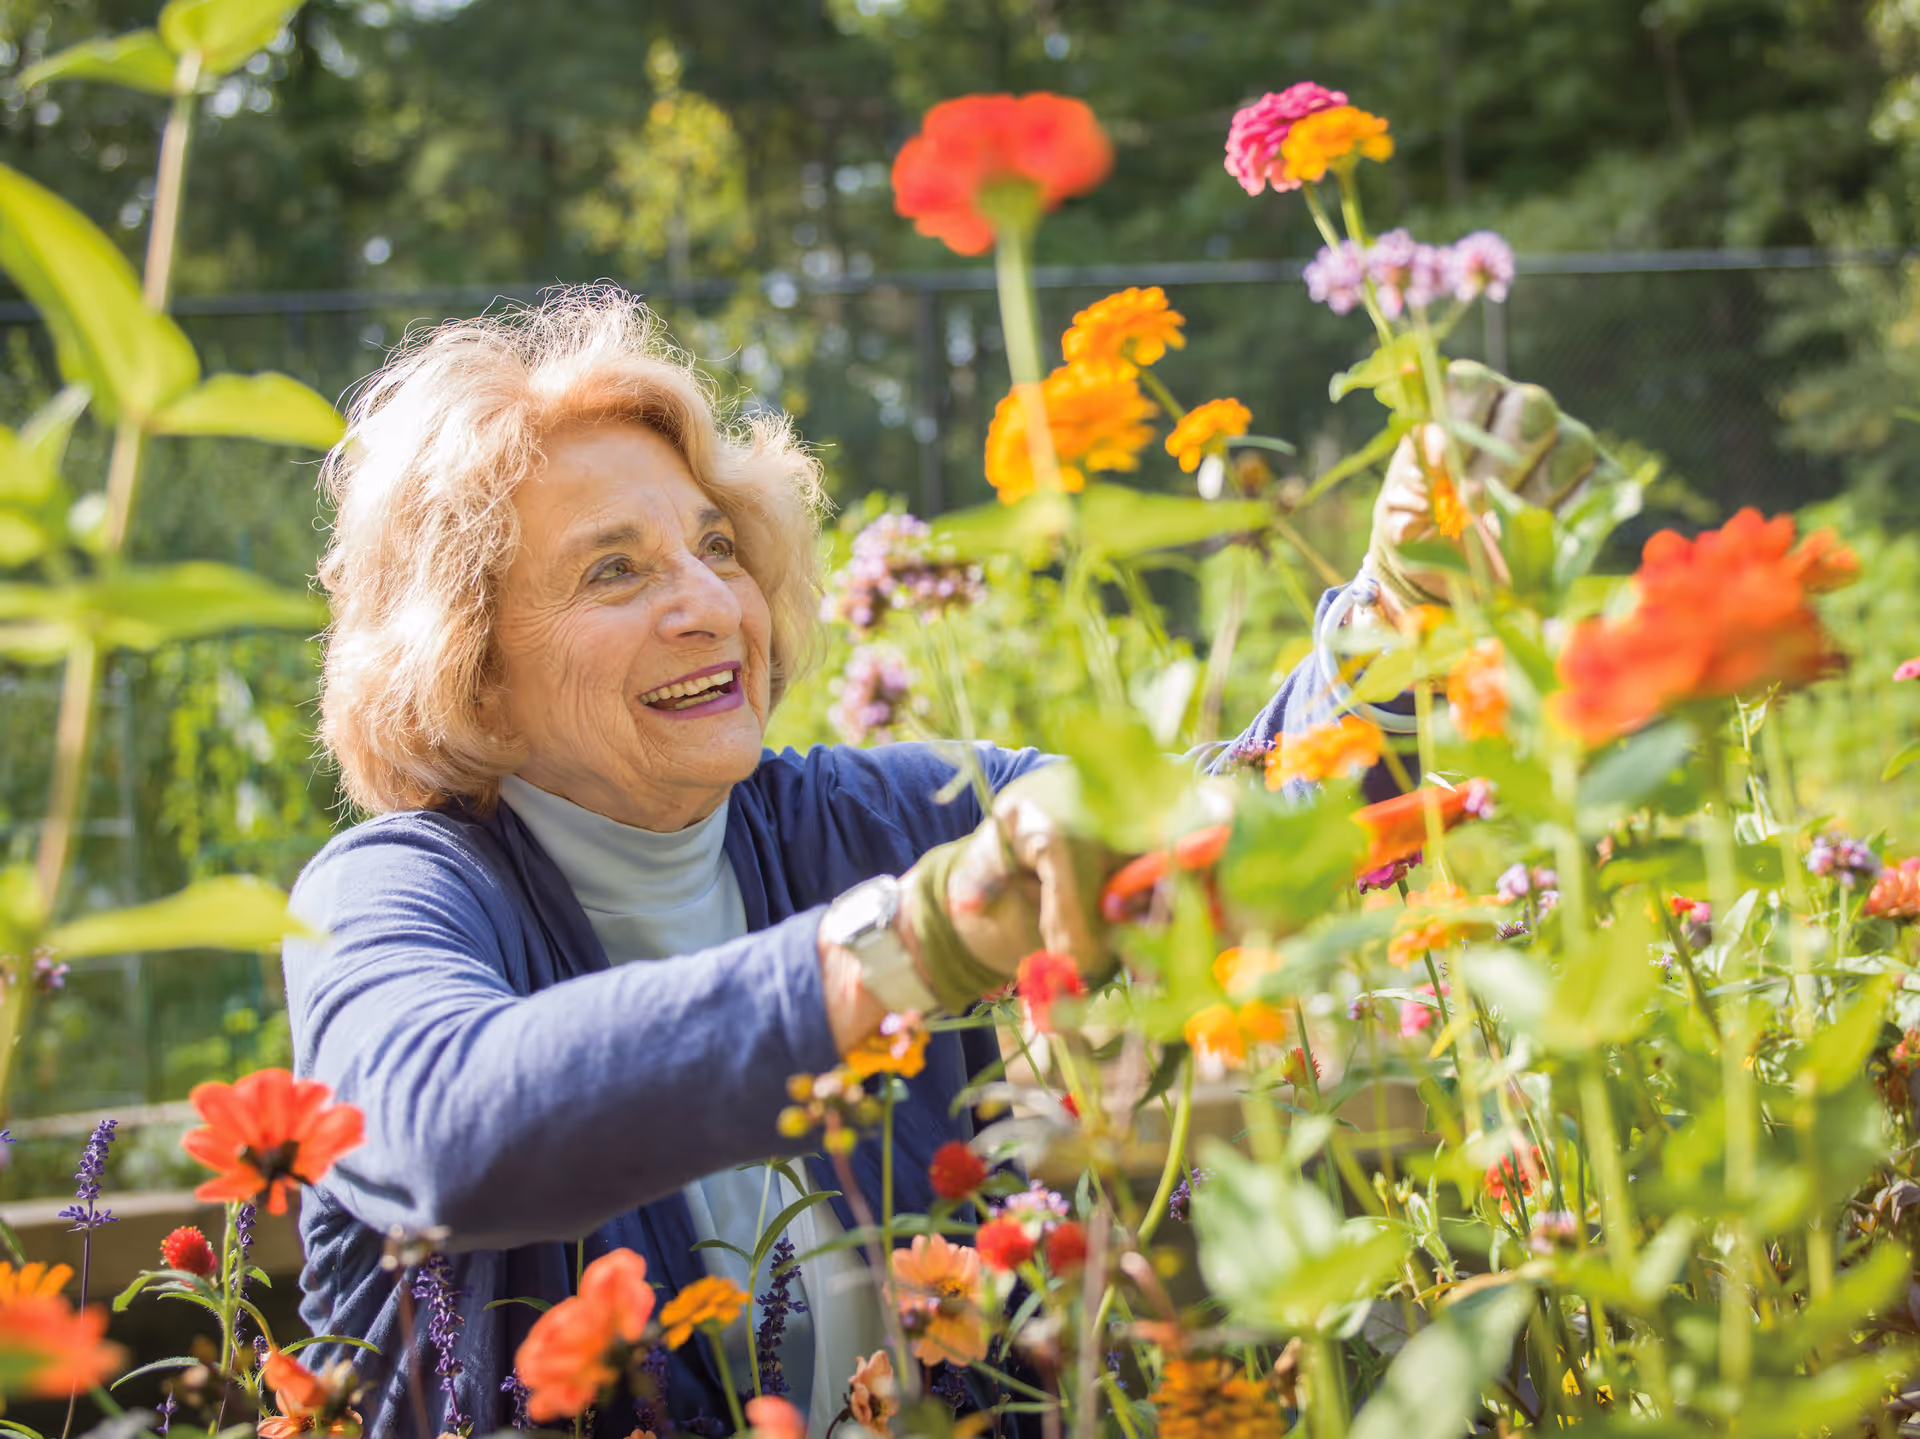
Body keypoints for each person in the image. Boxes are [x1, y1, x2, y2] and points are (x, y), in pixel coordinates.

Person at [285, 287, 1604, 1435]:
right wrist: (904, 945)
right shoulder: (391, 893)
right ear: (473, 665)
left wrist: (1394, 621)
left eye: (717, 543)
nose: (709, 603)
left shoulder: (873, 815)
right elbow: (441, 1122)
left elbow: (1217, 822)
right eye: (614, 571)